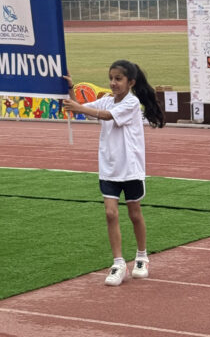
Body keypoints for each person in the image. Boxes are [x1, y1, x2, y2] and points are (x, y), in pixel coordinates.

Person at [62, 59, 165, 286]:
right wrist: (69, 88)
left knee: (134, 213)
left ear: (131, 82)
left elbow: (106, 115)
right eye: (111, 79)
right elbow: (86, 109)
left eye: (118, 79)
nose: (113, 83)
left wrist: (79, 108)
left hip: (130, 169)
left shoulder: (132, 103)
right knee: (110, 214)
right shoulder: (107, 100)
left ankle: (141, 256)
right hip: (108, 168)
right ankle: (118, 263)